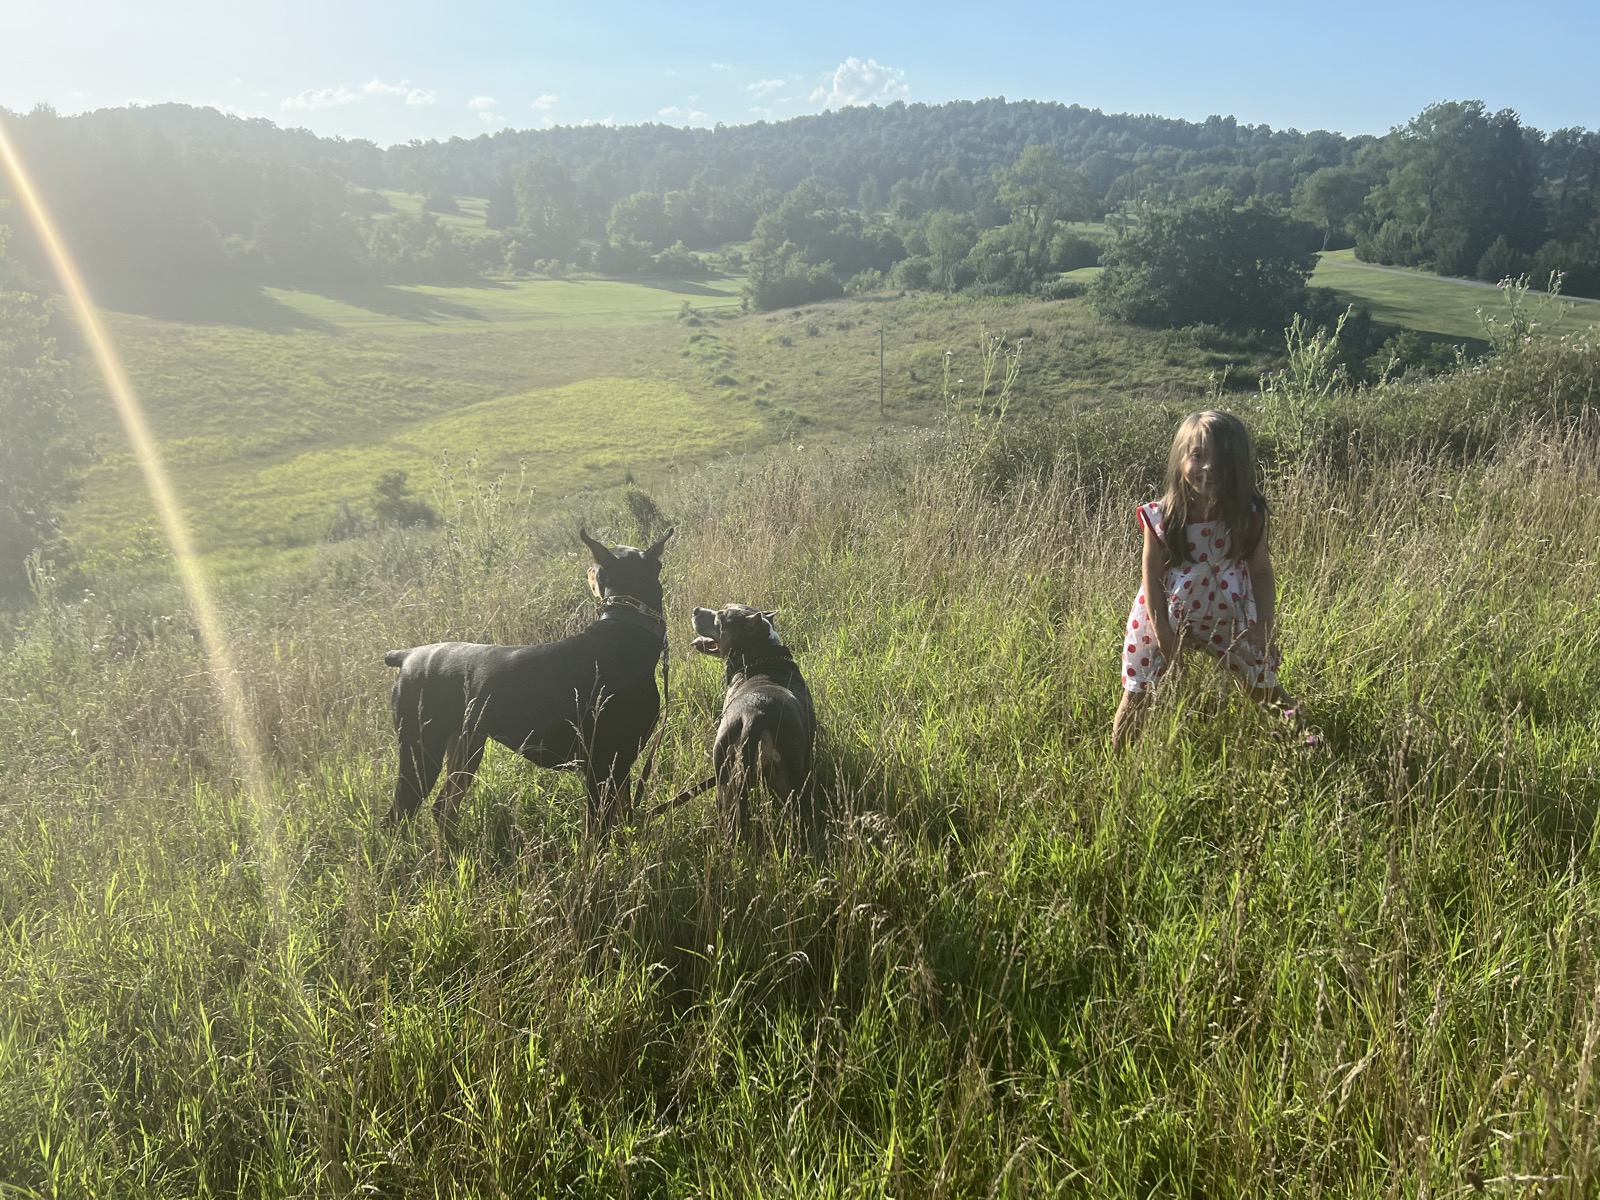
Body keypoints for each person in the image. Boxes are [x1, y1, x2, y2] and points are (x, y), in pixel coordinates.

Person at [1112, 409, 1294, 747]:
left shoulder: (1248, 515)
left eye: (1220, 458)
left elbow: (1261, 570)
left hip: (1228, 611)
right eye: (1198, 456)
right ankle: (1117, 763)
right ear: (1182, 459)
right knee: (1138, 694)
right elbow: (1151, 578)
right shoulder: (1163, 517)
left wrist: (1263, 626)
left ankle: (1305, 742)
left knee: (1263, 684)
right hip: (1167, 612)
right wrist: (1166, 640)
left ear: (1236, 464)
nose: (1208, 468)